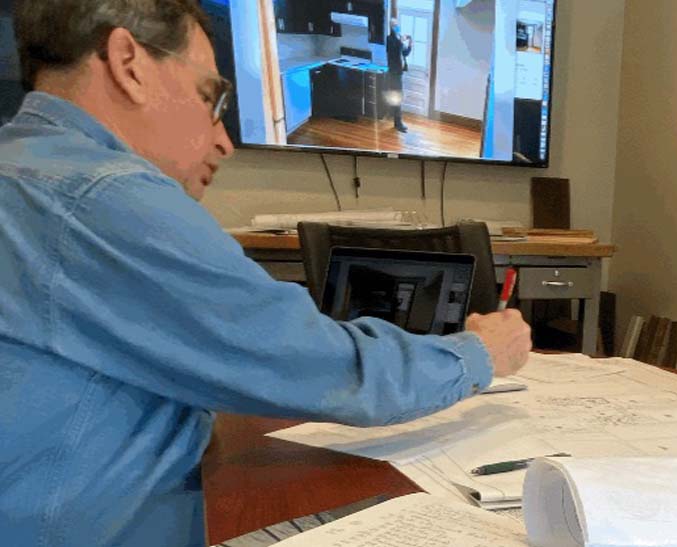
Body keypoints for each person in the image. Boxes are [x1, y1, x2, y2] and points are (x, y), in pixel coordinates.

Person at [0, 1, 531, 545]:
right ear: (127, 62)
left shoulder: (26, 171)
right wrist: (480, 351)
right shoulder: (102, 198)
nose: (225, 140)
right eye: (210, 97)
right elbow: (332, 371)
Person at [386, 17, 412, 133]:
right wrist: (401, 41)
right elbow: (394, 51)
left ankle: (397, 121)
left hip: (399, 73)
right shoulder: (390, 39)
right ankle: (398, 123)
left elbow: (405, 53)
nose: (397, 27)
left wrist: (410, 43)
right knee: (397, 98)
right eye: (394, 25)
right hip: (393, 73)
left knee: (397, 98)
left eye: (397, 24)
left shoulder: (398, 38)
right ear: (391, 27)